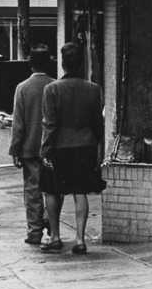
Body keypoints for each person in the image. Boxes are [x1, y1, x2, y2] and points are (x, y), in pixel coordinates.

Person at [40, 42, 104, 255]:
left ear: (63, 64)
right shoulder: (93, 89)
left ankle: (55, 237)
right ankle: (79, 240)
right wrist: (97, 152)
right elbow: (98, 125)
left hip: (58, 147)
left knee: (51, 190)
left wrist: (45, 151)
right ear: (81, 64)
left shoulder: (52, 89)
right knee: (80, 192)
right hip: (84, 147)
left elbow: (50, 124)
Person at [8, 44, 55, 245]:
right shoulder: (55, 86)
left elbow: (18, 124)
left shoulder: (22, 88)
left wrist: (15, 150)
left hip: (29, 149)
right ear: (49, 63)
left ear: (30, 64)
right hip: (52, 149)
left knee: (33, 191)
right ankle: (52, 225)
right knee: (53, 189)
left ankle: (34, 232)